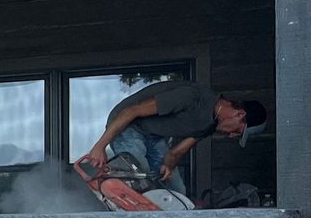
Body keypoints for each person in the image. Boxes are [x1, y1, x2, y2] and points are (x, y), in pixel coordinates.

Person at [84, 79, 267, 196]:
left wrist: (168, 166)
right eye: (238, 131)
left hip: (153, 135)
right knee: (139, 171)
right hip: (127, 124)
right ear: (239, 114)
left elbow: (176, 152)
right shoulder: (192, 98)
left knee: (177, 190)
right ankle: (104, 183)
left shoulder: (210, 125)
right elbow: (132, 111)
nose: (232, 135)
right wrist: (100, 146)